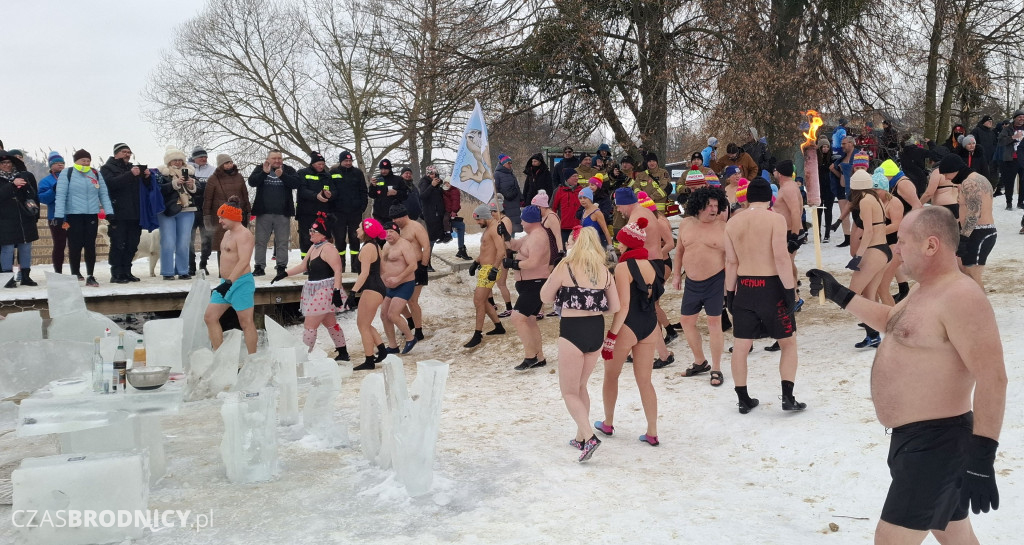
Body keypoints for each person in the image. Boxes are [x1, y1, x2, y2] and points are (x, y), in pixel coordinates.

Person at [806, 206, 1006, 544]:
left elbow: (993, 378)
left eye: (901, 241)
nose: (895, 250)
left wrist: (982, 457)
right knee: (955, 535)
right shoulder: (926, 288)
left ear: (931, 245)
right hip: (914, 441)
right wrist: (840, 293)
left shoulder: (962, 297)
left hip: (937, 445)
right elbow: (893, 323)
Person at [724, 177, 804, 414]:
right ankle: (787, 396)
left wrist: (729, 293)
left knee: (740, 346)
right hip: (771, 288)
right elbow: (781, 257)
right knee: (788, 343)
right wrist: (790, 291)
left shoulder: (733, 223)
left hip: (745, 287)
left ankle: (743, 398)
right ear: (770, 198)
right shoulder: (775, 219)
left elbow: (730, 262)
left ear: (747, 198)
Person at [540, 227, 619, 462]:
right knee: (581, 386)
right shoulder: (604, 271)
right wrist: (592, 301)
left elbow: (544, 297)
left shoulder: (566, 266)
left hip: (572, 330)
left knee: (568, 391)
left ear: (575, 242)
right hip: (596, 330)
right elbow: (614, 307)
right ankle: (581, 437)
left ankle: (589, 437)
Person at [596, 217, 661, 445]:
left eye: (621, 242)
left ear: (627, 244)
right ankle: (652, 431)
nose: (618, 246)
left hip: (628, 325)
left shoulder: (624, 267)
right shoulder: (652, 265)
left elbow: (623, 307)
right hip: (650, 324)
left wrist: (612, 336)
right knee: (645, 381)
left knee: (611, 376)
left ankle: (608, 421)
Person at [270, 212, 349, 360]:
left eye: (314, 231)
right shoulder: (314, 247)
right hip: (314, 288)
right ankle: (343, 352)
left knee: (309, 325)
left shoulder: (329, 249)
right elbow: (303, 266)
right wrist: (284, 274)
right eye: (310, 230)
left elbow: (338, 270)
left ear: (323, 234)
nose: (310, 233)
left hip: (324, 290)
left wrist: (337, 291)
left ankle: (304, 357)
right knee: (331, 323)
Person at [671, 186, 728, 386]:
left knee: (714, 323)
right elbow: (679, 252)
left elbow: (732, 258)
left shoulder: (723, 227)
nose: (713, 209)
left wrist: (730, 283)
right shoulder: (686, 223)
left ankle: (716, 368)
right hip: (692, 282)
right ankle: (700, 361)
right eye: (709, 205)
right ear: (699, 206)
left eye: (716, 205)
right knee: (686, 322)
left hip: (715, 280)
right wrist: (676, 274)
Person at [205, 196, 258, 354]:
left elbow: (244, 262)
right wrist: (225, 282)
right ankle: (220, 357)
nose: (220, 221)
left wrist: (229, 282)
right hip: (225, 283)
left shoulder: (244, 235)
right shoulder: (227, 233)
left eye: (222, 217)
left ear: (233, 216)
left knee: (245, 322)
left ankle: (253, 358)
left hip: (240, 283)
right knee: (210, 317)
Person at [54, 149, 113, 287]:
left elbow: (103, 194)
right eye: (83, 160)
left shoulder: (95, 174)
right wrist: (58, 215)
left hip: (91, 214)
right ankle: (75, 273)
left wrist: (110, 212)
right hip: (73, 215)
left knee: (90, 246)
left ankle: (90, 275)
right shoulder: (67, 173)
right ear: (76, 161)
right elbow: (61, 195)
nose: (86, 163)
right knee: (75, 245)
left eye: (88, 161)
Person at [847, 170, 892, 347]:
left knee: (852, 294)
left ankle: (882, 328)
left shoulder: (865, 200)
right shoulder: (876, 199)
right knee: (869, 296)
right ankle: (873, 334)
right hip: (883, 249)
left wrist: (858, 256)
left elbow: (868, 232)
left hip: (874, 251)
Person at [503, 205, 551, 371]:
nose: (521, 223)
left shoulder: (538, 237)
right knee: (529, 319)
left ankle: (530, 356)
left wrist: (513, 263)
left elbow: (534, 262)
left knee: (517, 318)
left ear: (530, 220)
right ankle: (539, 357)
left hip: (535, 283)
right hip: (528, 284)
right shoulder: (531, 235)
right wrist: (506, 236)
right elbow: (515, 246)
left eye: (523, 219)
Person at [101, 143, 151, 283]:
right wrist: (130, 175)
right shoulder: (107, 168)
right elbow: (110, 184)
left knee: (132, 244)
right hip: (118, 213)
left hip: (135, 213)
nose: (127, 154)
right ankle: (116, 273)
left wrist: (146, 177)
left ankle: (127, 271)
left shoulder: (132, 168)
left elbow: (145, 189)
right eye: (124, 152)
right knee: (118, 243)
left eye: (129, 152)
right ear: (116, 153)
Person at [947, 156, 997, 289]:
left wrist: (964, 237)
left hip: (979, 232)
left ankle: (981, 309)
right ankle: (971, 307)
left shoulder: (969, 182)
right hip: (979, 231)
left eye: (946, 173)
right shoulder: (979, 178)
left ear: (955, 169)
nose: (946, 178)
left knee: (973, 276)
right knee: (965, 271)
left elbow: (974, 213)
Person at [248, 149, 299, 277]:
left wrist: (282, 175)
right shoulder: (261, 168)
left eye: (279, 158)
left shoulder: (288, 169)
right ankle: (259, 266)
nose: (277, 161)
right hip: (264, 212)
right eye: (274, 158)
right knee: (260, 241)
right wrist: (264, 173)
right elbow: (252, 182)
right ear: (268, 159)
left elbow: (296, 184)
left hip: (283, 212)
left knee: (282, 241)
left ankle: (281, 266)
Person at [464, 204, 506, 348]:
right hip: (485, 267)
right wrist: (476, 262)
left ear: (485, 217)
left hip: (490, 269)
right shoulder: (489, 228)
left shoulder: (494, 229)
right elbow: (486, 250)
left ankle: (477, 334)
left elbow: (501, 251)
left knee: (478, 300)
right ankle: (499, 326)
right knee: (483, 301)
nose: (477, 223)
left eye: (478, 220)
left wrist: (494, 269)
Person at [349, 218, 389, 370]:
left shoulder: (367, 248)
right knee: (364, 324)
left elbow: (364, 273)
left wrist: (353, 292)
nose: (357, 230)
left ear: (366, 231)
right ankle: (382, 350)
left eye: (360, 227)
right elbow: (383, 269)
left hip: (371, 288)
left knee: (363, 326)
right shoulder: (376, 246)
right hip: (377, 287)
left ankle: (369, 360)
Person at [202, 154, 250, 275]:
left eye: (230, 162)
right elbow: (208, 199)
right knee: (222, 244)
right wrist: (207, 217)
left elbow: (245, 195)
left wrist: (248, 211)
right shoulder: (213, 179)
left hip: (238, 215)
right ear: (221, 165)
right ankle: (222, 271)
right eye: (226, 163)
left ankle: (239, 270)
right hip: (221, 216)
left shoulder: (239, 177)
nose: (229, 165)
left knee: (238, 242)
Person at [389, 204, 430, 340]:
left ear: (404, 216)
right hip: (402, 269)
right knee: (397, 299)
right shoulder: (398, 229)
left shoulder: (415, 227)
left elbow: (426, 246)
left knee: (412, 300)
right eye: (392, 219)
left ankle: (418, 330)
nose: (394, 221)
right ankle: (410, 320)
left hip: (417, 266)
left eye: (396, 218)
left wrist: (424, 266)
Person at [157, 146, 198, 280]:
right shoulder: (161, 173)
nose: (178, 162)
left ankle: (182, 270)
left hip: (187, 209)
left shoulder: (190, 173)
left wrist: (192, 185)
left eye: (180, 160)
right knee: (168, 241)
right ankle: (167, 272)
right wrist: (174, 183)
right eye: (174, 160)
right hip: (167, 211)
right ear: (168, 162)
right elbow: (158, 190)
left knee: (184, 242)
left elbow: (201, 191)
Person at [0, 150, 39, 288]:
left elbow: (32, 195)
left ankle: (26, 276)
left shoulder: (22, 175)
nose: (6, 165)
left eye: (9, 162)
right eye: (3, 162)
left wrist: (26, 186)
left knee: (26, 246)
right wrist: (12, 185)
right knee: (7, 248)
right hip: (5, 219)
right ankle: (7, 277)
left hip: (24, 217)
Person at [379, 221, 418, 354]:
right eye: (386, 232)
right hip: (390, 286)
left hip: (405, 284)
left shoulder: (404, 244)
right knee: (384, 315)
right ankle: (392, 345)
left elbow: (413, 265)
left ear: (397, 232)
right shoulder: (385, 245)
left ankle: (410, 338)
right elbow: (383, 265)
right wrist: (383, 278)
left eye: (391, 231)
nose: (388, 234)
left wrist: (398, 278)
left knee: (393, 314)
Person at [329, 150, 368, 273]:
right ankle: (340, 265)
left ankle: (355, 265)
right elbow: (329, 190)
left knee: (355, 239)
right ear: (341, 161)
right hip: (338, 213)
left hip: (354, 212)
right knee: (339, 239)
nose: (348, 163)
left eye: (350, 161)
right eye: (346, 161)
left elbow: (363, 191)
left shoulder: (358, 173)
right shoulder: (333, 173)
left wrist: (362, 207)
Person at [295, 151, 335, 262]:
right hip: (306, 213)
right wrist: (315, 196)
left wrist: (331, 194)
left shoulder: (327, 176)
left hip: (322, 213)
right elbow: (302, 190)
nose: (321, 166)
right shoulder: (302, 173)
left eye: (323, 164)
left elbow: (334, 190)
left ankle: (321, 261)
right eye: (319, 164)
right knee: (306, 239)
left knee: (322, 237)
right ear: (313, 164)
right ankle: (306, 262)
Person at [37, 152, 68, 274]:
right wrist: (54, 190)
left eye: (62, 163)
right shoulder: (46, 181)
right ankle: (58, 271)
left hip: (71, 217)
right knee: (60, 245)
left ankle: (76, 271)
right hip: (55, 218)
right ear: (51, 166)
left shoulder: (69, 177)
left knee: (75, 244)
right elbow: (43, 199)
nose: (60, 165)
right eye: (57, 163)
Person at [187, 147, 215, 275]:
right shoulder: (187, 169)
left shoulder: (212, 171)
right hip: (190, 209)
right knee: (189, 239)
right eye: (201, 157)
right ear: (194, 158)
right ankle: (191, 265)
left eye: (205, 156)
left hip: (206, 211)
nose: (204, 159)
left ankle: (203, 264)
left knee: (207, 238)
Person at [996, 110, 1024, 209]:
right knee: (1009, 182)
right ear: (1015, 118)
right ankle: (1009, 203)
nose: (1022, 118)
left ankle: (1021, 202)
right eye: (1019, 117)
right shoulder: (1008, 129)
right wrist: (1013, 137)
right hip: (1011, 158)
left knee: (1023, 182)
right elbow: (1000, 141)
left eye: (1023, 117)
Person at [369, 158, 406, 223]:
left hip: (394, 215)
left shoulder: (398, 180)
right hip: (379, 214)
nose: (383, 171)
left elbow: (405, 195)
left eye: (385, 169)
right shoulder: (377, 179)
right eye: (382, 169)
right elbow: (372, 195)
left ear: (389, 169)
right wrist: (373, 186)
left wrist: (396, 193)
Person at [419, 165, 447, 249]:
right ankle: (427, 257)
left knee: (440, 233)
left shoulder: (438, 183)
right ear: (427, 174)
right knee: (432, 237)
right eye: (431, 174)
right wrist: (432, 186)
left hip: (439, 212)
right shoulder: (424, 182)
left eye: (435, 174)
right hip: (430, 213)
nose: (433, 176)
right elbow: (423, 196)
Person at [552, 169, 583, 244]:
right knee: (565, 250)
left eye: (577, 176)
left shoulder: (581, 190)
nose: (576, 178)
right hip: (563, 227)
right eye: (574, 176)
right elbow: (552, 208)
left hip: (579, 227)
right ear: (567, 178)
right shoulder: (558, 191)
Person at [442, 177, 470, 260]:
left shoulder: (454, 191)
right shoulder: (443, 190)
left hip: (450, 211)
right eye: (446, 183)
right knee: (460, 226)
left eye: (449, 183)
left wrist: (454, 211)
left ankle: (460, 248)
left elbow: (455, 202)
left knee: (460, 225)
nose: (447, 185)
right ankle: (460, 248)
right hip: (445, 212)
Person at [494, 154, 523, 232]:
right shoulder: (497, 174)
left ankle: (512, 241)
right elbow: (495, 189)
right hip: (505, 204)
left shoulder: (511, 173)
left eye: (511, 163)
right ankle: (507, 242)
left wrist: (521, 198)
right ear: (503, 163)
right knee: (507, 225)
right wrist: (499, 202)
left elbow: (517, 187)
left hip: (515, 203)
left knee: (514, 225)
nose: (510, 165)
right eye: (509, 163)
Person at [815, 139, 836, 242]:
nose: (825, 149)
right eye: (823, 147)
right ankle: (817, 233)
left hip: (829, 188)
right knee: (818, 211)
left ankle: (827, 234)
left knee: (828, 211)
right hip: (818, 188)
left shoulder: (832, 159)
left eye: (827, 147)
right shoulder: (815, 160)